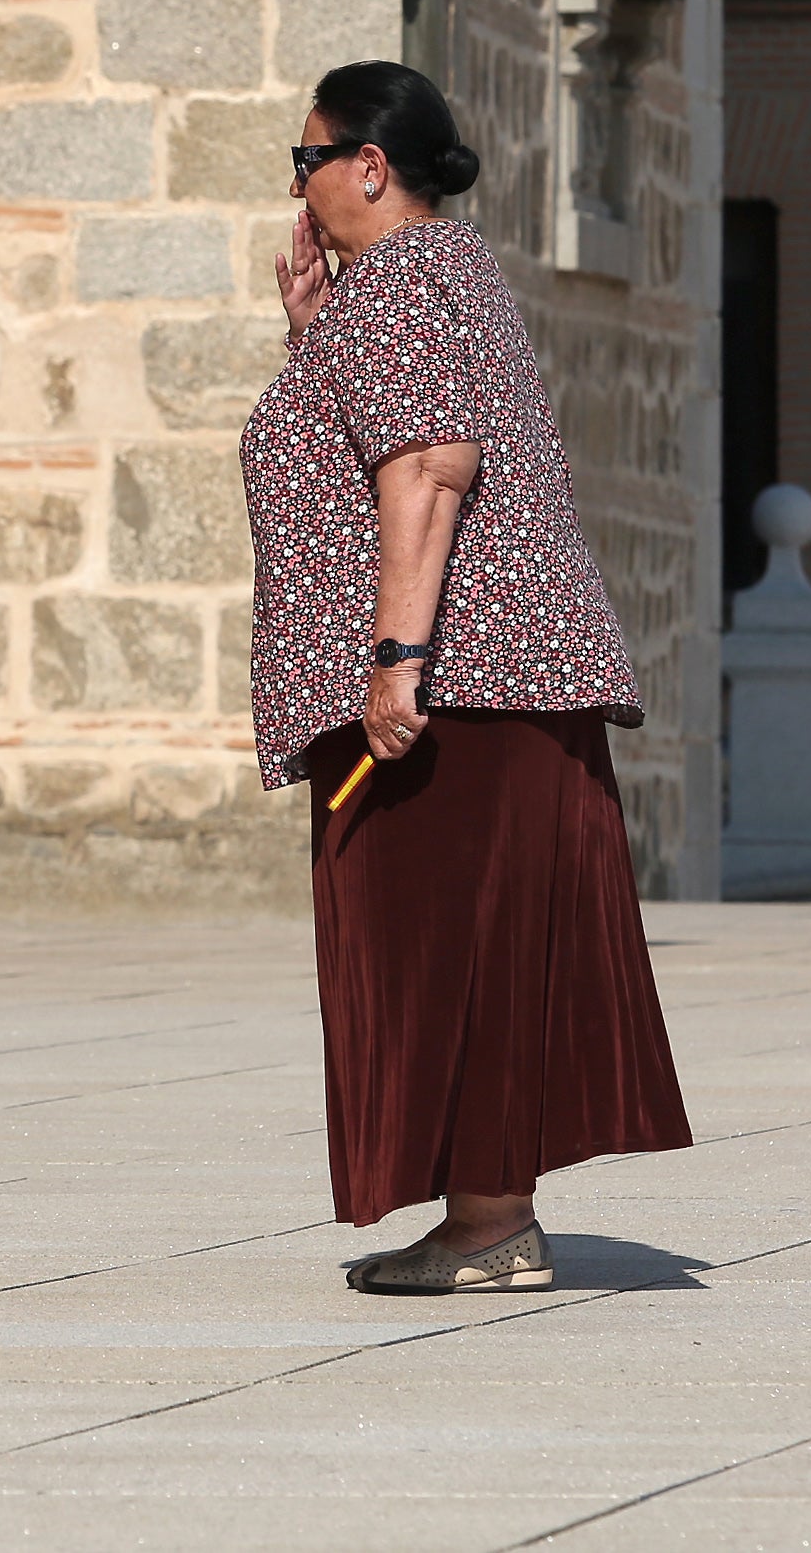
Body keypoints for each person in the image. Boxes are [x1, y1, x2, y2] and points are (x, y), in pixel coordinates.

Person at [248, 62, 683, 1287]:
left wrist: (394, 659)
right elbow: (391, 431)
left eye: (307, 160)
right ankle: (491, 1217)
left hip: (453, 694)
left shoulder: (398, 284)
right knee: (477, 954)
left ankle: (488, 1224)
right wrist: (312, 335)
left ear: (369, 165)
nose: (299, 186)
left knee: (443, 953)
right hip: (499, 685)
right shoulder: (445, 275)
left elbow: (428, 464)